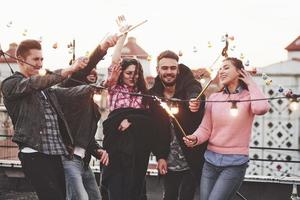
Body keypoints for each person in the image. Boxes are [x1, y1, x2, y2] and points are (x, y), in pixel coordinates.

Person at [0, 39, 92, 200]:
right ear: (19, 59)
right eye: (35, 59)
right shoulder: (11, 84)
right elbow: (35, 83)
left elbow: (68, 93)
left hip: (56, 153)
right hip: (35, 153)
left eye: (42, 59)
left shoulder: (46, 90)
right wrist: (69, 69)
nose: (40, 63)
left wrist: (98, 86)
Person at [184, 57, 270, 200]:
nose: (221, 71)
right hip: (210, 161)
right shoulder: (214, 97)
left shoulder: (249, 97)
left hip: (235, 163)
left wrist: (251, 83)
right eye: (220, 68)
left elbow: (261, 108)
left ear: (239, 72)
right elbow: (205, 128)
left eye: (226, 67)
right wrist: (195, 137)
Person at [100, 23, 156, 200]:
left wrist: (131, 119)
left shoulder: (144, 94)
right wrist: (124, 34)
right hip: (117, 144)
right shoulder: (116, 88)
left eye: (136, 73)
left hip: (137, 147)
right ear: (122, 73)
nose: (133, 76)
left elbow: (149, 119)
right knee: (116, 188)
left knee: (135, 190)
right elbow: (115, 60)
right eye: (129, 73)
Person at [59, 35, 118, 200]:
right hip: (69, 158)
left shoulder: (91, 106)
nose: (93, 74)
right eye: (89, 72)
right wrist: (102, 48)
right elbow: (85, 69)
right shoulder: (68, 91)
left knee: (95, 197)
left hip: (83, 161)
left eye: (95, 73)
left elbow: (86, 137)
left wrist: (98, 150)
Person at [149, 50, 207, 200]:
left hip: (192, 157)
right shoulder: (154, 94)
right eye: (165, 68)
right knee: (169, 196)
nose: (169, 71)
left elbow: (194, 89)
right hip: (169, 161)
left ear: (178, 69)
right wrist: (160, 156)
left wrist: (195, 101)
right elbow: (155, 130)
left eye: (173, 68)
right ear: (158, 70)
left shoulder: (188, 81)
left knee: (186, 196)